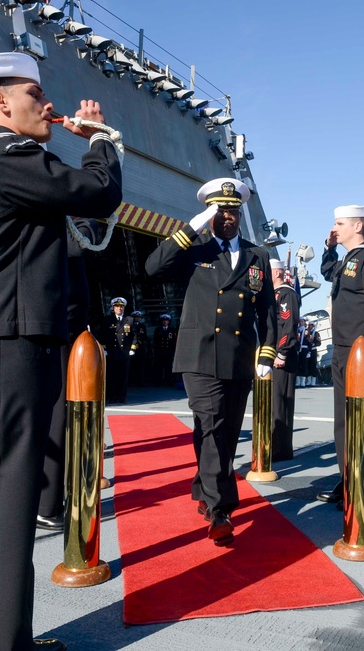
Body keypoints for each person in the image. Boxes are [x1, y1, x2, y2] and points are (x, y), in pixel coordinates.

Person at [0, 52, 122, 651]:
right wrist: (100, 139)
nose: (48, 104)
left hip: (6, 345)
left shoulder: (0, 160)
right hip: (6, 348)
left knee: (8, 506)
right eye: (33, 92)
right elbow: (96, 192)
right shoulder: (4, 154)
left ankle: (5, 641)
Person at [144, 177, 277, 544]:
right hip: (199, 354)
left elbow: (267, 310)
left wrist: (267, 350)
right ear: (210, 213)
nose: (229, 217)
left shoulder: (257, 256)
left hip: (238, 357)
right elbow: (153, 267)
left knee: (225, 431)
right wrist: (193, 226)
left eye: (233, 211)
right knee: (213, 423)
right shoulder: (195, 249)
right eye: (221, 211)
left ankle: (203, 487)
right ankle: (221, 509)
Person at [317, 204, 364, 507]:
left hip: (359, 352)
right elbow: (326, 272)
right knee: (343, 421)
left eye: (339, 223)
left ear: (358, 226)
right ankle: (347, 479)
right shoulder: (349, 259)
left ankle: (359, 484)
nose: (334, 228)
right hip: (343, 349)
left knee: (356, 421)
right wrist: (329, 247)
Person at [37, 217, 98, 531]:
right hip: (56, 327)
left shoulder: (69, 221)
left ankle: (55, 496)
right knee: (57, 416)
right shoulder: (60, 221)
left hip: (71, 328)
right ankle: (46, 504)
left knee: (70, 415)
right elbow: (77, 246)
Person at [271, 259, 300, 461]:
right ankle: (277, 446)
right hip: (271, 355)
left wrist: (281, 352)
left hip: (281, 357)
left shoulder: (286, 294)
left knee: (280, 402)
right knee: (274, 402)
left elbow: (288, 325)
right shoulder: (275, 295)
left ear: (277, 273)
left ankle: (280, 448)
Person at [100, 297, 137, 403]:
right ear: (113, 308)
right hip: (112, 352)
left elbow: (134, 336)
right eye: (117, 306)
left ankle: (122, 397)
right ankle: (113, 396)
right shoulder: (108, 320)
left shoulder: (129, 320)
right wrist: (104, 348)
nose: (119, 309)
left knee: (124, 376)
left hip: (124, 352)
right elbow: (102, 335)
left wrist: (132, 348)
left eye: (121, 307)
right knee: (112, 376)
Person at [153, 313, 178, 387]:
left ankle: (169, 381)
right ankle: (158, 382)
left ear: (168, 322)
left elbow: (174, 340)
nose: (165, 322)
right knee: (159, 367)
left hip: (169, 351)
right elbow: (156, 340)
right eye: (163, 321)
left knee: (169, 367)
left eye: (166, 321)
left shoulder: (172, 330)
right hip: (160, 351)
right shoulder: (158, 330)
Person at [129, 309, 150, 386]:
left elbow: (144, 336)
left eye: (138, 317)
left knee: (141, 365)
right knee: (131, 365)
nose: (137, 318)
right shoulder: (130, 325)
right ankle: (131, 381)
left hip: (140, 348)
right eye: (135, 317)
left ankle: (140, 381)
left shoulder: (142, 326)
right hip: (131, 347)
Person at [305, 318, 322, 386]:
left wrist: (314, 341)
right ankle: (308, 380)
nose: (309, 327)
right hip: (307, 350)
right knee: (307, 365)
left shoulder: (316, 333)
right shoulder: (306, 332)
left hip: (313, 350)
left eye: (310, 325)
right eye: (308, 325)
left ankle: (313, 380)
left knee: (313, 364)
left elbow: (319, 343)